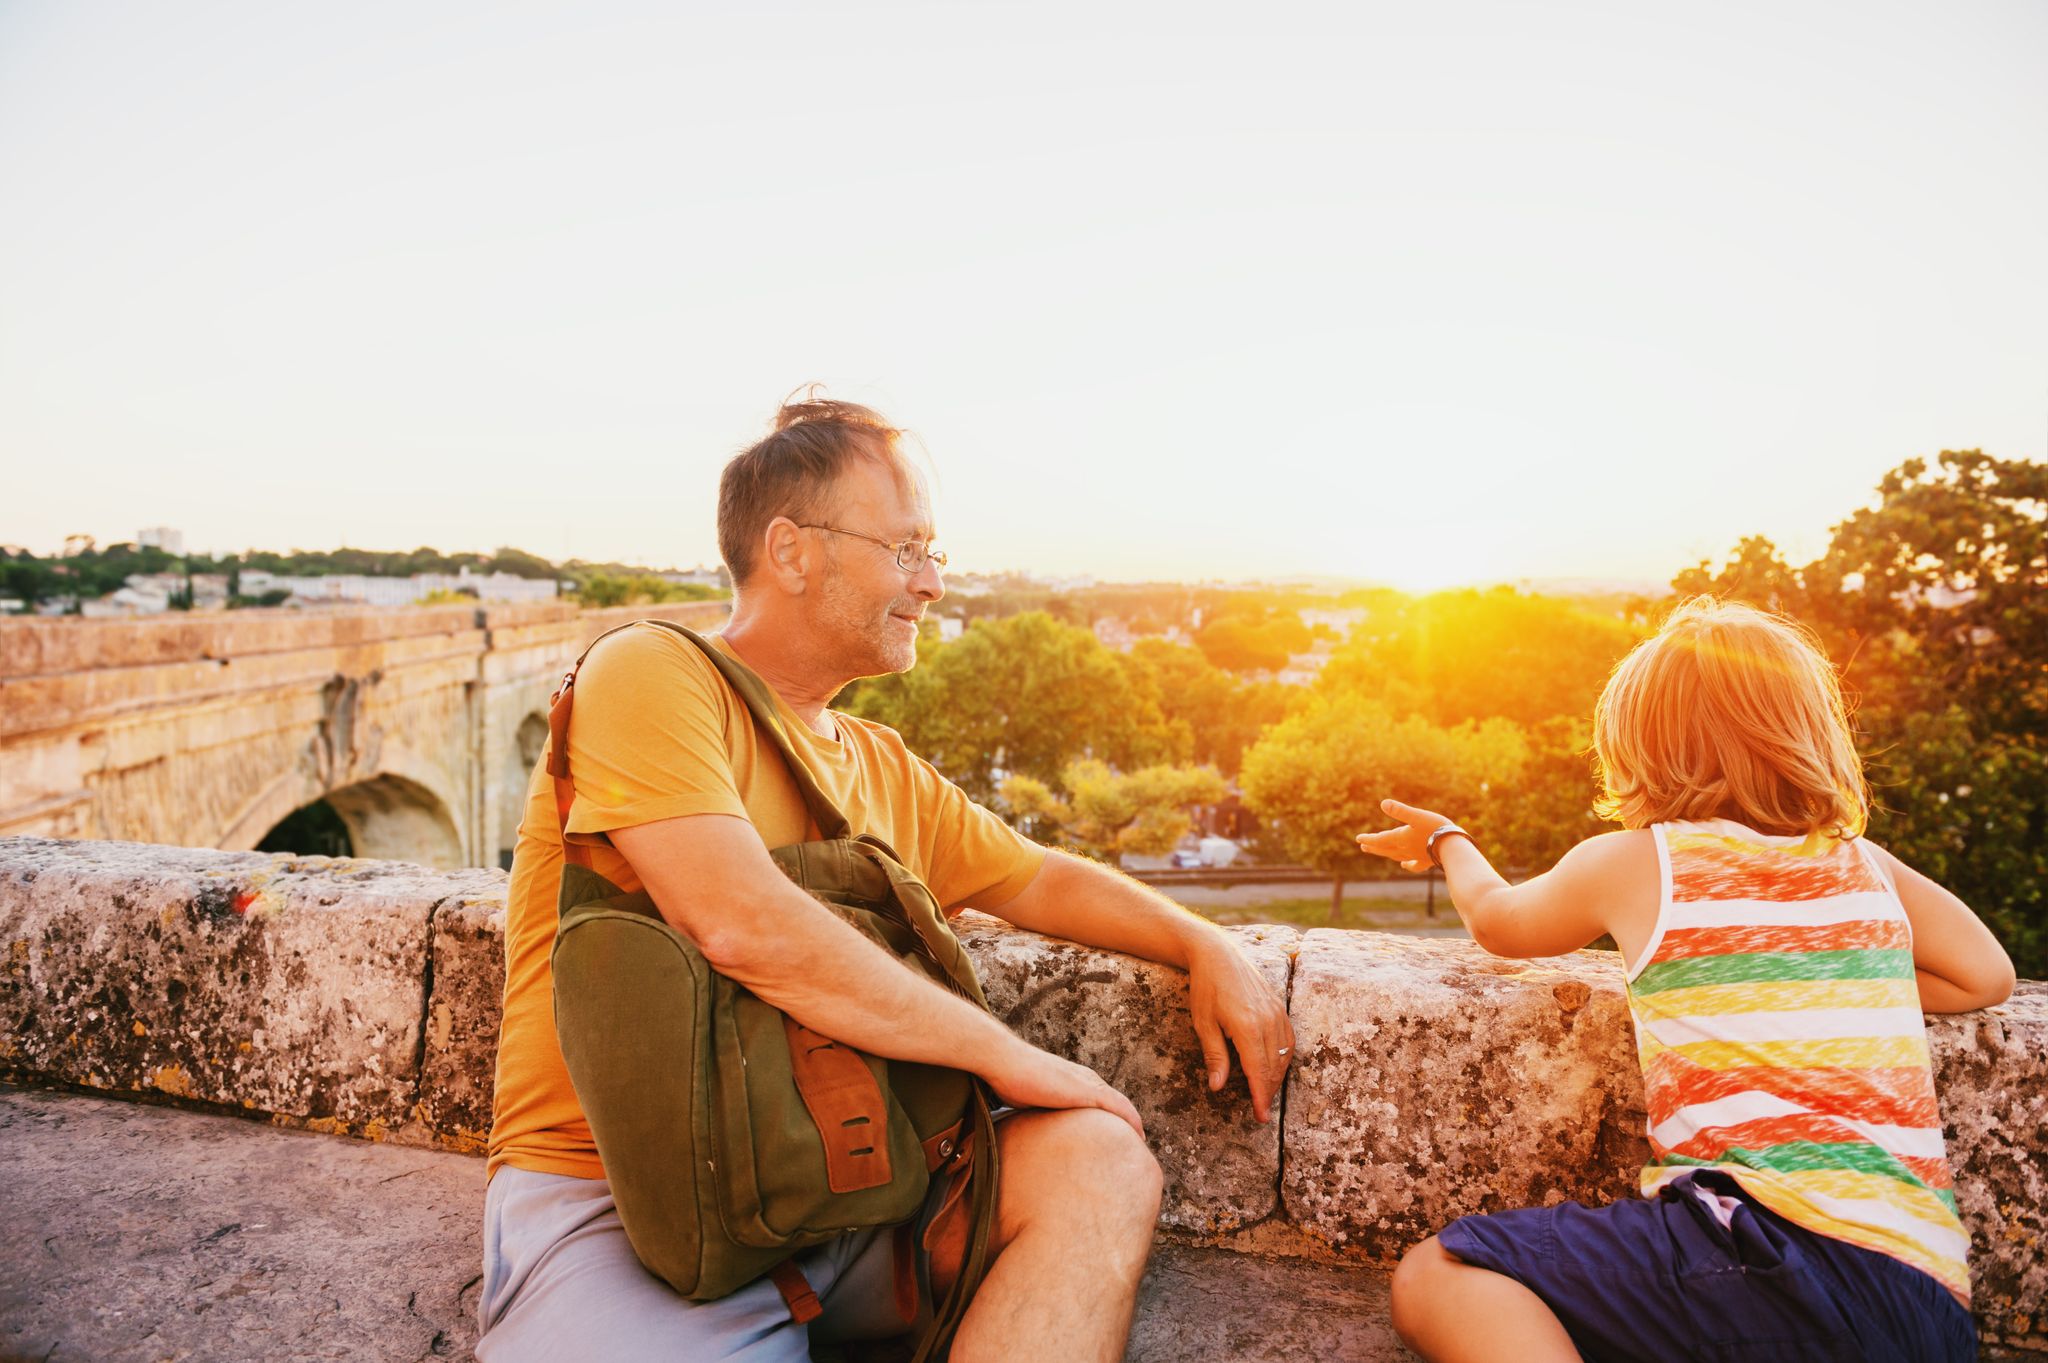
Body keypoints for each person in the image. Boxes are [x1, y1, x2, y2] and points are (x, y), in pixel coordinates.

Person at [479, 394, 1293, 1363]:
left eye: (934, 553)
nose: (933, 583)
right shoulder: (651, 671)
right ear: (791, 551)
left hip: (853, 1195)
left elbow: (1036, 878)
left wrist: (1201, 941)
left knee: (1097, 1163)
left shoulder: (881, 762)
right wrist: (1006, 1056)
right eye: (908, 549)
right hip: (623, 1208)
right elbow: (739, 921)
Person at [1354, 597, 2014, 1363]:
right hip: (1925, 1300)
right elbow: (1986, 972)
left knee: (1441, 1274)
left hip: (1760, 1255)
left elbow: (1500, 919)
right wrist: (1829, 982)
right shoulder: (1867, 864)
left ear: (1642, 746)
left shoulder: (1639, 861)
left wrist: (1446, 837)